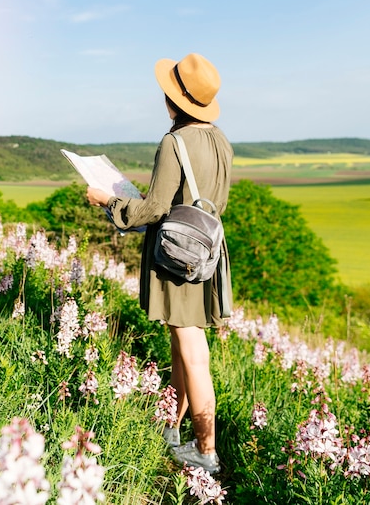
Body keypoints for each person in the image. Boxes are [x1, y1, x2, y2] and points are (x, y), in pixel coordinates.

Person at [86, 52, 233, 474]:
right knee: (181, 343)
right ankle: (171, 426)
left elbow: (153, 209)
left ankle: (206, 452)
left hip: (178, 255)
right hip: (205, 250)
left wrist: (108, 200)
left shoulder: (174, 142)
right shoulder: (221, 139)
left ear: (176, 102)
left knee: (192, 349)